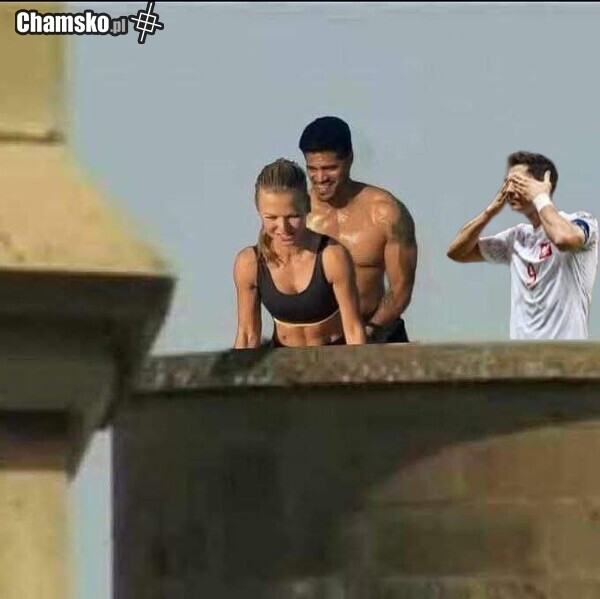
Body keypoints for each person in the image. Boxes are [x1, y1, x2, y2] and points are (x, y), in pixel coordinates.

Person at [447, 151, 598, 340]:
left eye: (517, 182)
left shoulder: (581, 222)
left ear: (543, 184)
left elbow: (563, 239)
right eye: (506, 183)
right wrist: (490, 212)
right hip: (521, 357)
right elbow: (457, 252)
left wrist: (541, 197)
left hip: (566, 356)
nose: (509, 190)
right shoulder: (515, 238)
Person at [298, 116, 418, 343]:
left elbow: (401, 287)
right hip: (320, 341)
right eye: (312, 169)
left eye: (330, 168)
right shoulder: (296, 218)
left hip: (377, 331)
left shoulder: (386, 213)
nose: (320, 178)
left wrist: (369, 332)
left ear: (350, 159)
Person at [233, 158, 366, 348]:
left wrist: (358, 367)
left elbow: (354, 330)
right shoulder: (249, 264)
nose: (283, 228)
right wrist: (237, 367)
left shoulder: (332, 256)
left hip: (333, 356)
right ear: (258, 211)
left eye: (292, 216)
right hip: (281, 358)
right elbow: (247, 335)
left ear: (307, 206)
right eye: (271, 217)